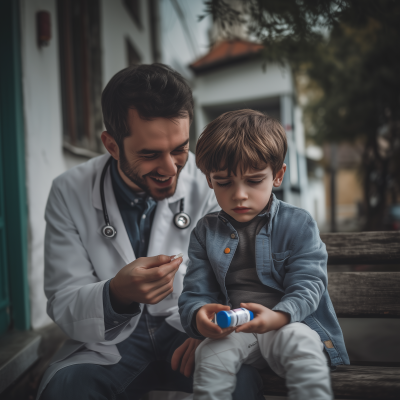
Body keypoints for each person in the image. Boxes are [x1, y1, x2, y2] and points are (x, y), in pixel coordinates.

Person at [37, 65, 264, 400]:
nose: (171, 169)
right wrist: (116, 294)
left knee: (236, 382)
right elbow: (64, 299)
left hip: (189, 332)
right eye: (150, 154)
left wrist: (209, 326)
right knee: (67, 389)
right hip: (110, 343)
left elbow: (246, 279)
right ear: (112, 146)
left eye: (179, 149)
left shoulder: (214, 183)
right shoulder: (68, 191)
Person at [179, 109, 350, 400]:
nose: (239, 194)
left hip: (290, 324)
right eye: (224, 182)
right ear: (209, 180)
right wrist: (198, 317)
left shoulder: (298, 223)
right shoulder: (205, 231)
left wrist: (278, 316)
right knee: (209, 355)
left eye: (254, 181)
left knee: (302, 348)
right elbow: (196, 291)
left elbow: (309, 284)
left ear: (278, 175)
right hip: (238, 329)